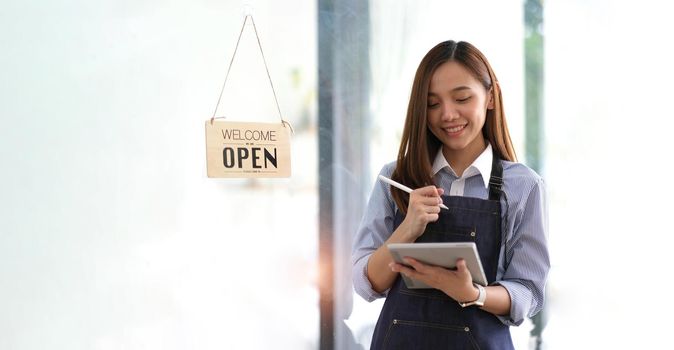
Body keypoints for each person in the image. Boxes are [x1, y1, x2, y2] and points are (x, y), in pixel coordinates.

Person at [352, 40, 549, 349]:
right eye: (432, 104)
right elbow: (368, 284)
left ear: (491, 97)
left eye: (461, 98)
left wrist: (473, 294)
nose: (447, 114)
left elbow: (528, 292)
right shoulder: (396, 178)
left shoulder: (524, 187)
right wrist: (407, 228)